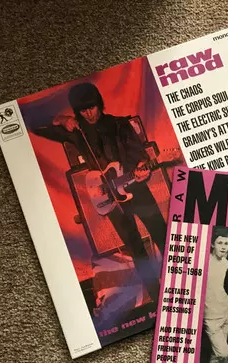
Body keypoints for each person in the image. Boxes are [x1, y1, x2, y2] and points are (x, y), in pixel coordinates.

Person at [32, 82, 179, 304]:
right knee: (136, 249)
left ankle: (180, 285)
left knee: (162, 235)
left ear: (99, 104)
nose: (89, 114)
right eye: (83, 110)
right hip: (109, 198)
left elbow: (138, 153)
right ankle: (158, 297)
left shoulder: (119, 125)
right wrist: (60, 119)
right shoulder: (78, 132)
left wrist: (142, 168)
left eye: (91, 107)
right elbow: (34, 125)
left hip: (136, 188)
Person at [203, 228, 228, 363]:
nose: (223, 246)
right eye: (220, 243)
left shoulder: (226, 263)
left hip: (226, 313)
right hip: (211, 316)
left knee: (217, 353)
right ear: (213, 244)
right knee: (223, 352)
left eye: (226, 243)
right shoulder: (204, 262)